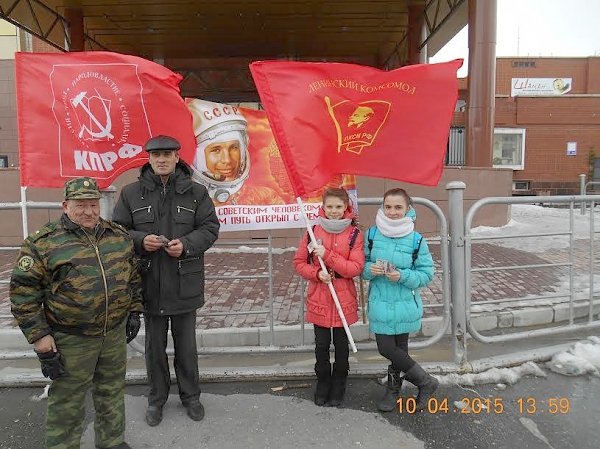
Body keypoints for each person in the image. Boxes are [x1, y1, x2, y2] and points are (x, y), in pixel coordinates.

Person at [10, 177, 143, 449]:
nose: (88, 211)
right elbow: (23, 293)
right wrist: (40, 337)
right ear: (65, 205)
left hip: (113, 334)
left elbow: (132, 278)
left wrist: (134, 311)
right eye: (80, 205)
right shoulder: (43, 243)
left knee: (111, 391)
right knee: (68, 399)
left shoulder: (117, 236)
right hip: (71, 339)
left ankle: (112, 441)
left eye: (93, 204)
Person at [112, 135, 220, 427]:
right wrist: (139, 239)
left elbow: (210, 228)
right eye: (156, 154)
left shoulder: (196, 193)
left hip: (185, 283)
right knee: (154, 349)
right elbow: (118, 231)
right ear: (148, 158)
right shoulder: (130, 193)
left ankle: (191, 397)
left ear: (176, 157)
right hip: (149, 284)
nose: (161, 159)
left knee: (186, 347)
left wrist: (186, 244)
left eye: (167, 154)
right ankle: (156, 400)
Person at [362, 188, 437, 412]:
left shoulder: (416, 239)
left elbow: (427, 274)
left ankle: (393, 391)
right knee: (386, 348)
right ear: (382, 207)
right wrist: (370, 269)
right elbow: (361, 267)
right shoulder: (372, 234)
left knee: (400, 351)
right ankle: (426, 382)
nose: (392, 212)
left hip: (405, 303)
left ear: (407, 209)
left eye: (398, 207)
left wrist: (403, 276)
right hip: (380, 302)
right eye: (388, 207)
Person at [293, 188, 364, 407]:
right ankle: (323, 381)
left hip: (343, 298)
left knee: (342, 345)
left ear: (346, 208)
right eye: (330, 206)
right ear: (323, 207)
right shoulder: (312, 231)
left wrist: (327, 255)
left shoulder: (354, 235)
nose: (334, 211)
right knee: (322, 345)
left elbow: (355, 267)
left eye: (338, 207)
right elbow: (299, 263)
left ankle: (339, 382)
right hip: (320, 298)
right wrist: (316, 273)